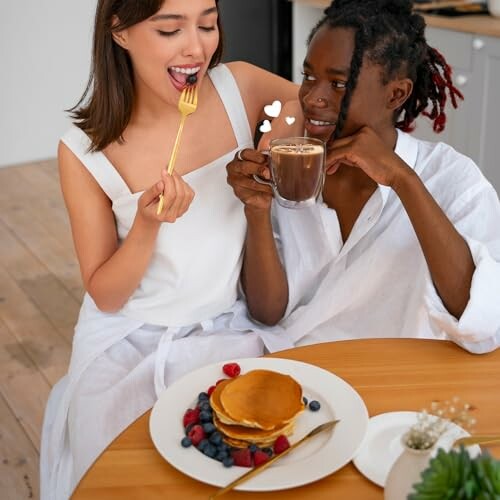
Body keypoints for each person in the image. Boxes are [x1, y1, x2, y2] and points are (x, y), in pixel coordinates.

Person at [40, 0, 298, 498]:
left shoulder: (238, 87)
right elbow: (107, 295)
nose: (197, 47)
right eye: (169, 29)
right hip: (130, 342)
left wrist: (271, 148)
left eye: (207, 23)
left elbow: (304, 101)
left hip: (231, 327)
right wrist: (145, 225)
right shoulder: (83, 150)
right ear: (119, 32)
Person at [226, 0, 500, 354]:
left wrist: (403, 180)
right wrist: (257, 210)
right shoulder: (294, 169)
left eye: (339, 83)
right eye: (309, 76)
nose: (313, 97)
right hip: (301, 368)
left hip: (395, 378)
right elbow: (267, 313)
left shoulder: (453, 180)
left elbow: (483, 325)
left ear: (396, 94)